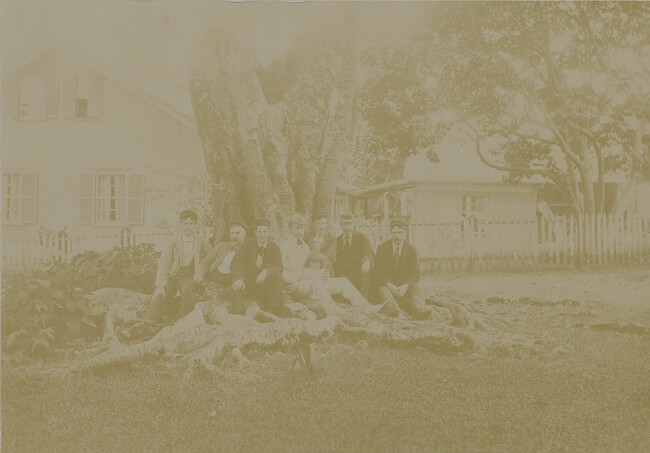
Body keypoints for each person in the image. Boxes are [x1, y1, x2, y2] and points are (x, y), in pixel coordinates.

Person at [145, 210, 213, 323]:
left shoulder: (200, 240)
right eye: (185, 223)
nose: (188, 226)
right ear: (181, 224)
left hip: (188, 276)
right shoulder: (173, 239)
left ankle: (177, 323)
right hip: (172, 275)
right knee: (160, 297)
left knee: (188, 293)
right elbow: (164, 262)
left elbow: (212, 256)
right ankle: (147, 323)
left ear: (195, 224)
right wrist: (161, 284)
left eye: (191, 223)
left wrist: (201, 272)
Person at [373, 218, 430, 320]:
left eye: (400, 232)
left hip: (404, 287)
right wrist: (390, 285)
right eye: (394, 233)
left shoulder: (412, 250)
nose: (397, 236)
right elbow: (378, 272)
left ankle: (418, 311)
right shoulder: (382, 248)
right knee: (381, 288)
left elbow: (415, 274)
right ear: (390, 233)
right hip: (388, 287)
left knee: (419, 288)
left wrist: (405, 286)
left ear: (405, 233)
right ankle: (396, 312)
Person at [280, 213, 333, 319]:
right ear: (290, 228)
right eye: (297, 228)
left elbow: (310, 268)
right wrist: (297, 278)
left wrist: (323, 274)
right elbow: (282, 272)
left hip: (306, 283)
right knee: (316, 282)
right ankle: (331, 310)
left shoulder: (306, 247)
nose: (300, 231)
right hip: (292, 286)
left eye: (302, 228)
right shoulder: (283, 246)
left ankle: (328, 307)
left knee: (327, 280)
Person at [230, 218, 285, 318]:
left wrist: (266, 271)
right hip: (247, 282)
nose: (262, 235)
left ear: (269, 232)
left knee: (278, 279)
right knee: (236, 288)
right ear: (255, 232)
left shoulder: (274, 247)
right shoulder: (247, 243)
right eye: (259, 232)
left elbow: (279, 267)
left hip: (263, 285)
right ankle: (238, 318)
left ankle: (273, 313)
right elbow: (235, 263)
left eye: (265, 231)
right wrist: (238, 278)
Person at [301, 251, 384, 313]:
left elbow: (325, 275)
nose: (315, 265)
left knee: (343, 280)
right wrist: (322, 274)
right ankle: (333, 309)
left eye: (317, 263)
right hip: (311, 292)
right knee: (319, 283)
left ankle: (365, 306)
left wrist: (326, 275)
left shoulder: (322, 270)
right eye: (313, 262)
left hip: (322, 289)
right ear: (309, 263)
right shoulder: (307, 271)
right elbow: (306, 275)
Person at [333, 211, 374, 299]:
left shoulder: (362, 238)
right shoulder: (337, 240)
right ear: (341, 225)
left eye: (349, 224)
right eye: (345, 224)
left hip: (359, 274)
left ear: (354, 225)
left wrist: (367, 261)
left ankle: (363, 302)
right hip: (343, 275)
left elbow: (369, 252)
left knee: (367, 271)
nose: (347, 227)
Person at [199, 219, 247, 288]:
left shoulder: (248, 249)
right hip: (215, 276)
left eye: (237, 233)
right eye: (232, 233)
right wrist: (200, 274)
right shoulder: (221, 246)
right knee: (193, 286)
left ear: (244, 235)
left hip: (233, 280)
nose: (234, 236)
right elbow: (206, 261)